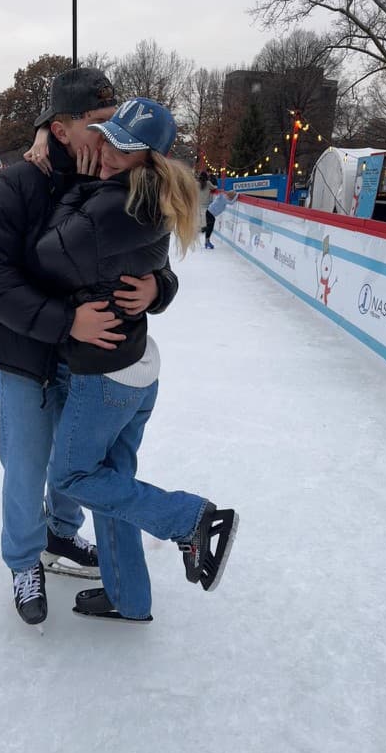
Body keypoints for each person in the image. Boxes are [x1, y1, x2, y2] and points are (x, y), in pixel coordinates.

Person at [0, 68, 179, 626]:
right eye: (100, 125)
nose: (111, 137)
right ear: (61, 130)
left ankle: (62, 536)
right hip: (23, 355)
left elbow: (147, 255)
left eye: (117, 125)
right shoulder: (16, 184)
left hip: (80, 365)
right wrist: (67, 324)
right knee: (27, 462)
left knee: (73, 461)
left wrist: (160, 288)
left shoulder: (116, 180)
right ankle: (22, 559)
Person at [32, 99, 239, 622]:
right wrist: (160, 288)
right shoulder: (150, 199)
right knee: (114, 483)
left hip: (104, 374)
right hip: (137, 367)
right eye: (108, 137)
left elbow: (45, 255)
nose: (106, 153)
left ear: (151, 159)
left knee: (75, 478)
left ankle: (190, 518)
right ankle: (129, 597)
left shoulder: (110, 204)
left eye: (124, 147)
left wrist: (76, 190)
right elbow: (159, 270)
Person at [197, 171, 218, 249]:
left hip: (198, 207)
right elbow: (215, 187)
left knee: (208, 223)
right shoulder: (208, 183)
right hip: (207, 207)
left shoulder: (197, 184)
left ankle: (203, 232)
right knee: (211, 222)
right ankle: (207, 241)